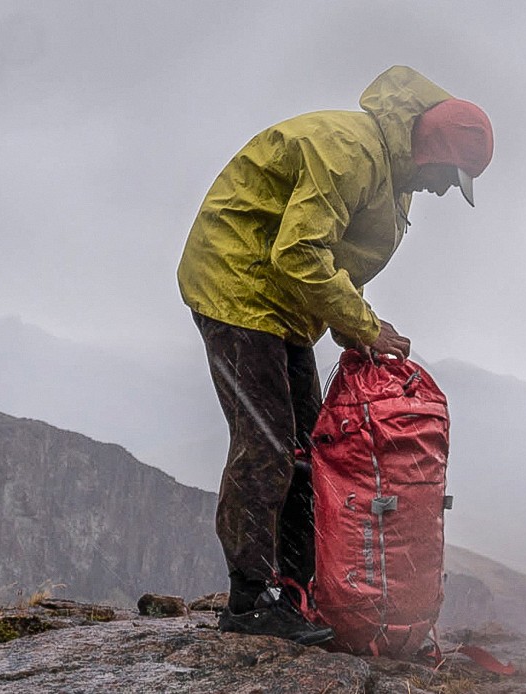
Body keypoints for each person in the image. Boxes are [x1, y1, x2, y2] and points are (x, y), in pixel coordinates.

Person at [176, 65, 493, 644]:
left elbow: (337, 258)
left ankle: (297, 593)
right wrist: (364, 327)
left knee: (308, 449)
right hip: (237, 283)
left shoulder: (392, 175)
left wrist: (357, 330)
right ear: (431, 151)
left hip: (283, 298)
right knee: (266, 445)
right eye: (451, 177)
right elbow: (299, 252)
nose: (447, 190)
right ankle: (250, 602)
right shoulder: (349, 153)